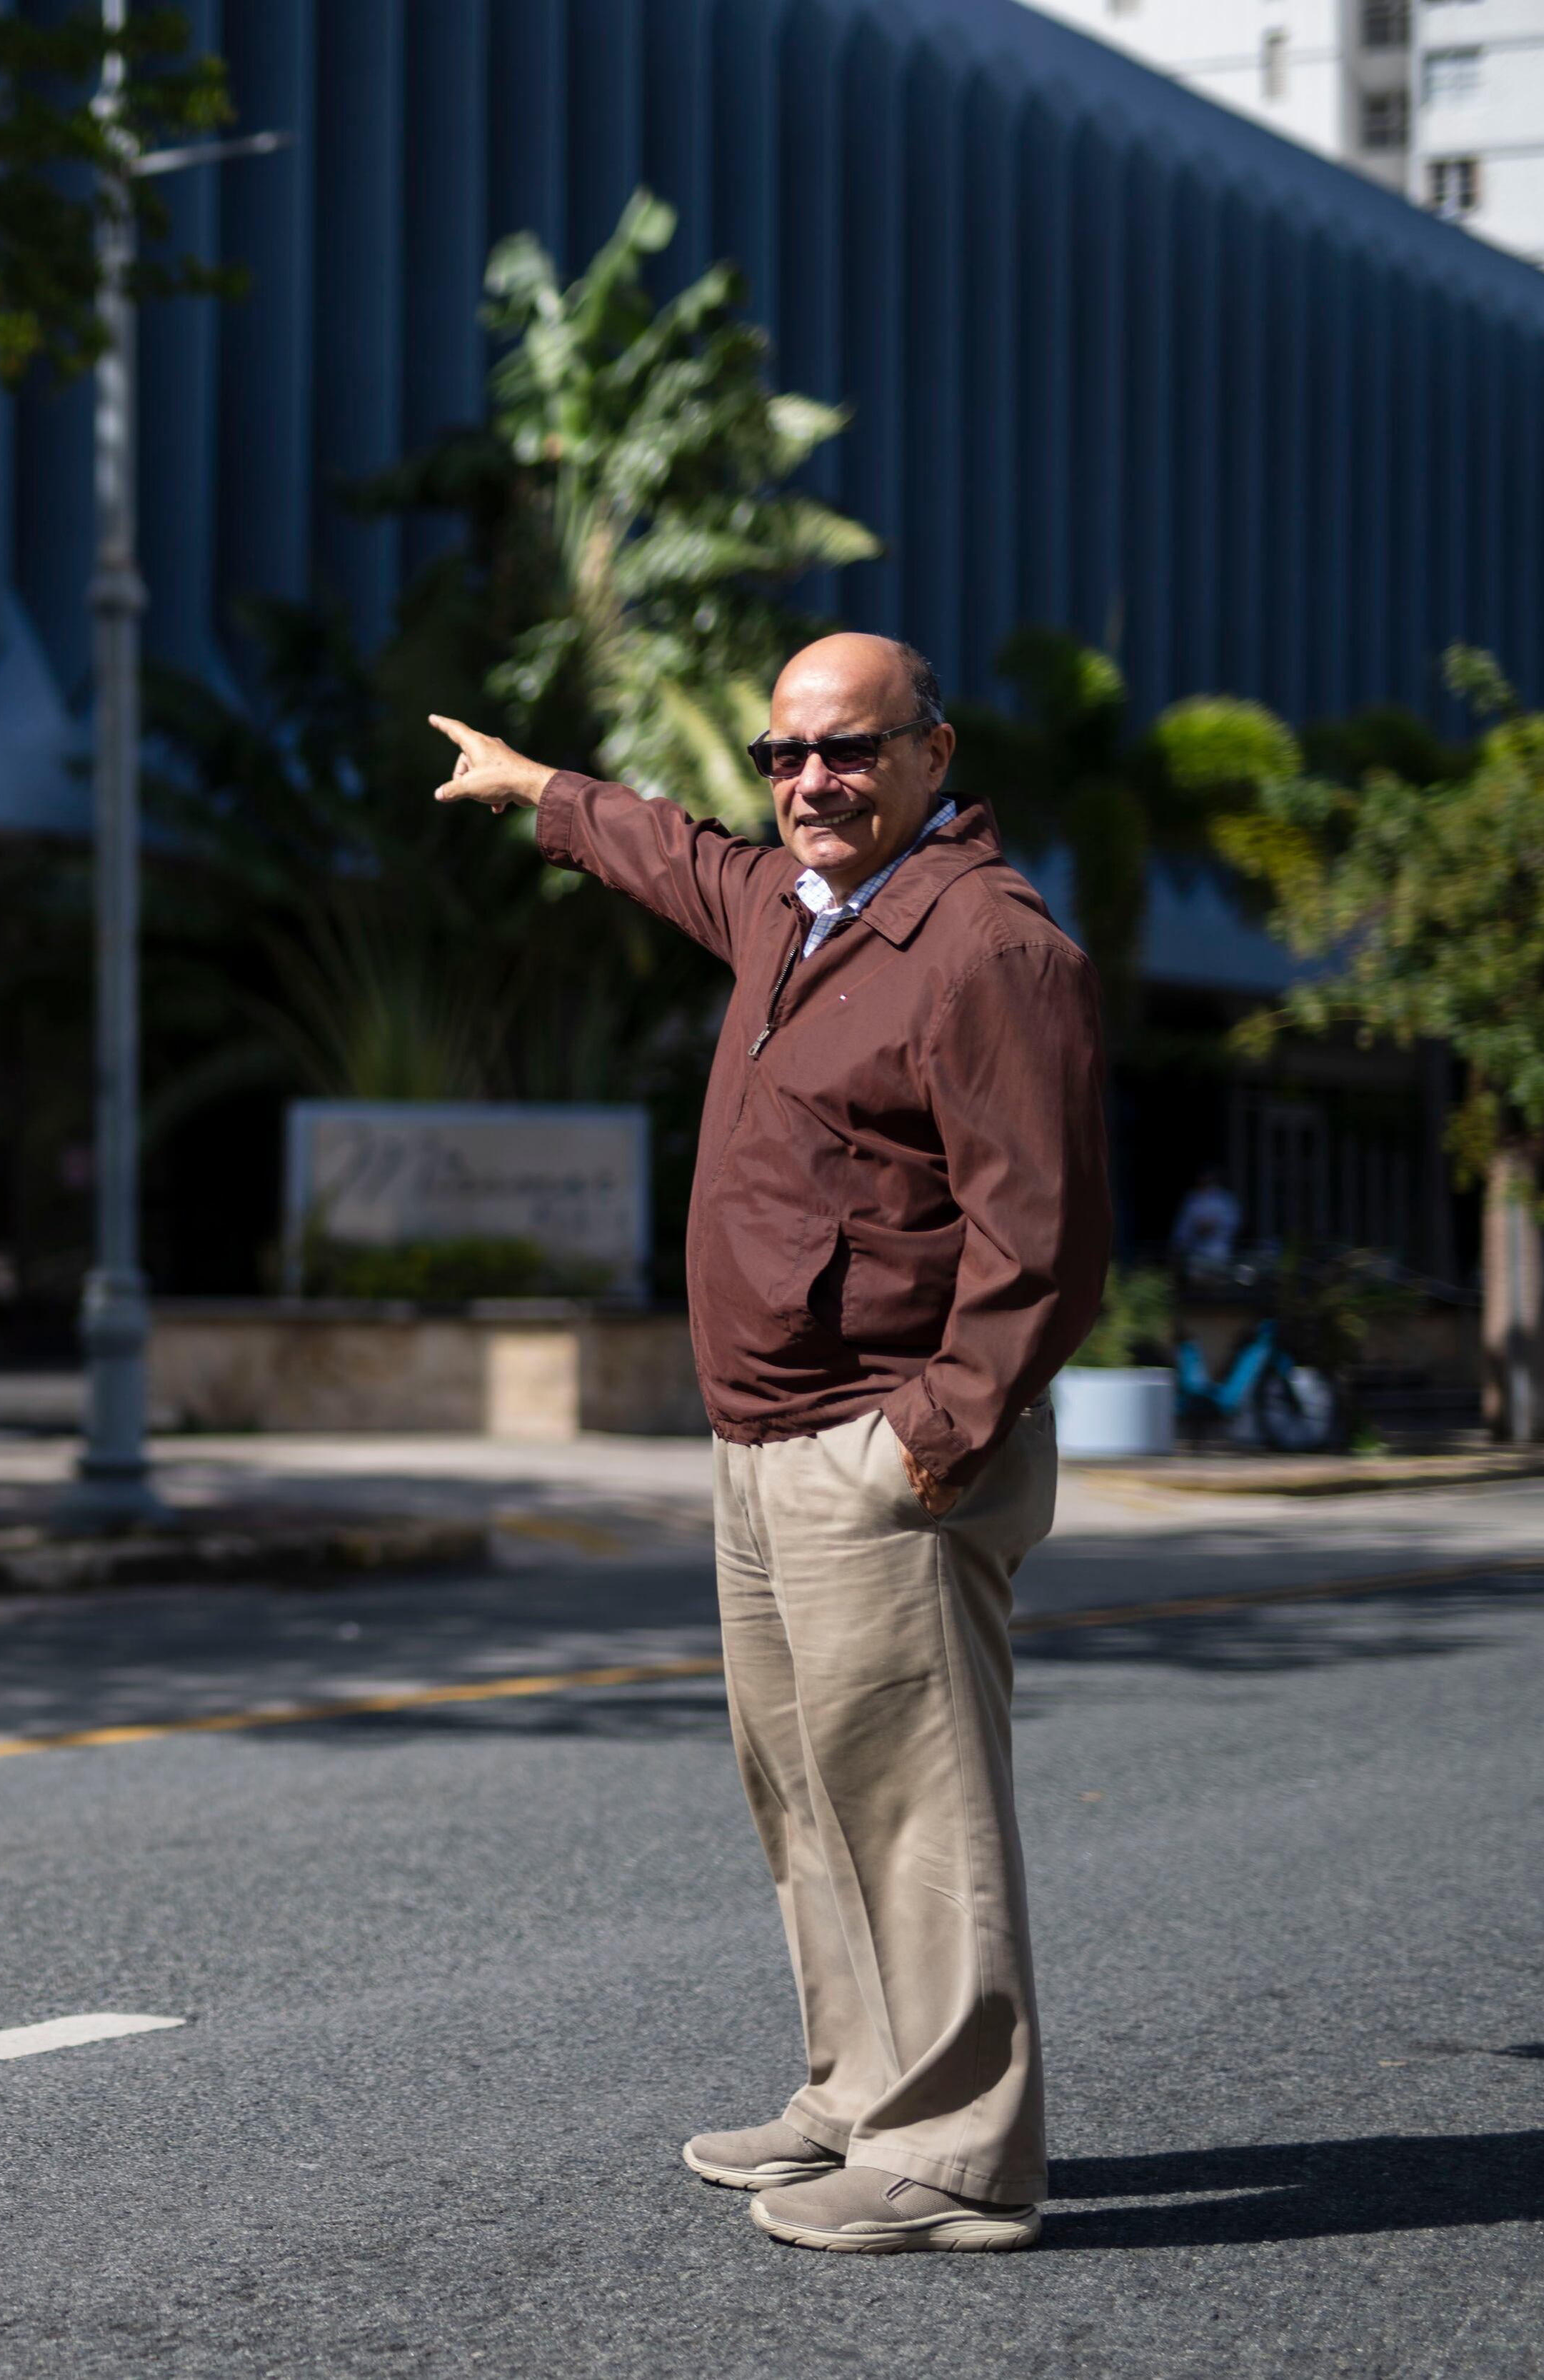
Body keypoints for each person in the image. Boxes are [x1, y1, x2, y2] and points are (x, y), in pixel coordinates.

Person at [430, 635, 1108, 2254]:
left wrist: (931, 1438)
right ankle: (855, 2094)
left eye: (852, 750)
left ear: (934, 755)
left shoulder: (985, 947)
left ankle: (953, 2156)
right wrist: (538, 789)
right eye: (786, 753)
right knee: (806, 1795)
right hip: (765, 1447)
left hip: (879, 1451)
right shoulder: (803, 912)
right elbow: (682, 856)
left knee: (914, 1812)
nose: (812, 780)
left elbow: (1050, 1243)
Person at [1172, 1168, 1240, 1277]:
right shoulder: (1193, 1199)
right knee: (1197, 1282)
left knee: (1217, 1282)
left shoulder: (1224, 1199)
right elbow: (1183, 1227)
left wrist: (1213, 1226)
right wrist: (1178, 1246)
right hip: (1195, 1252)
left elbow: (1232, 1222)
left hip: (1218, 1252)